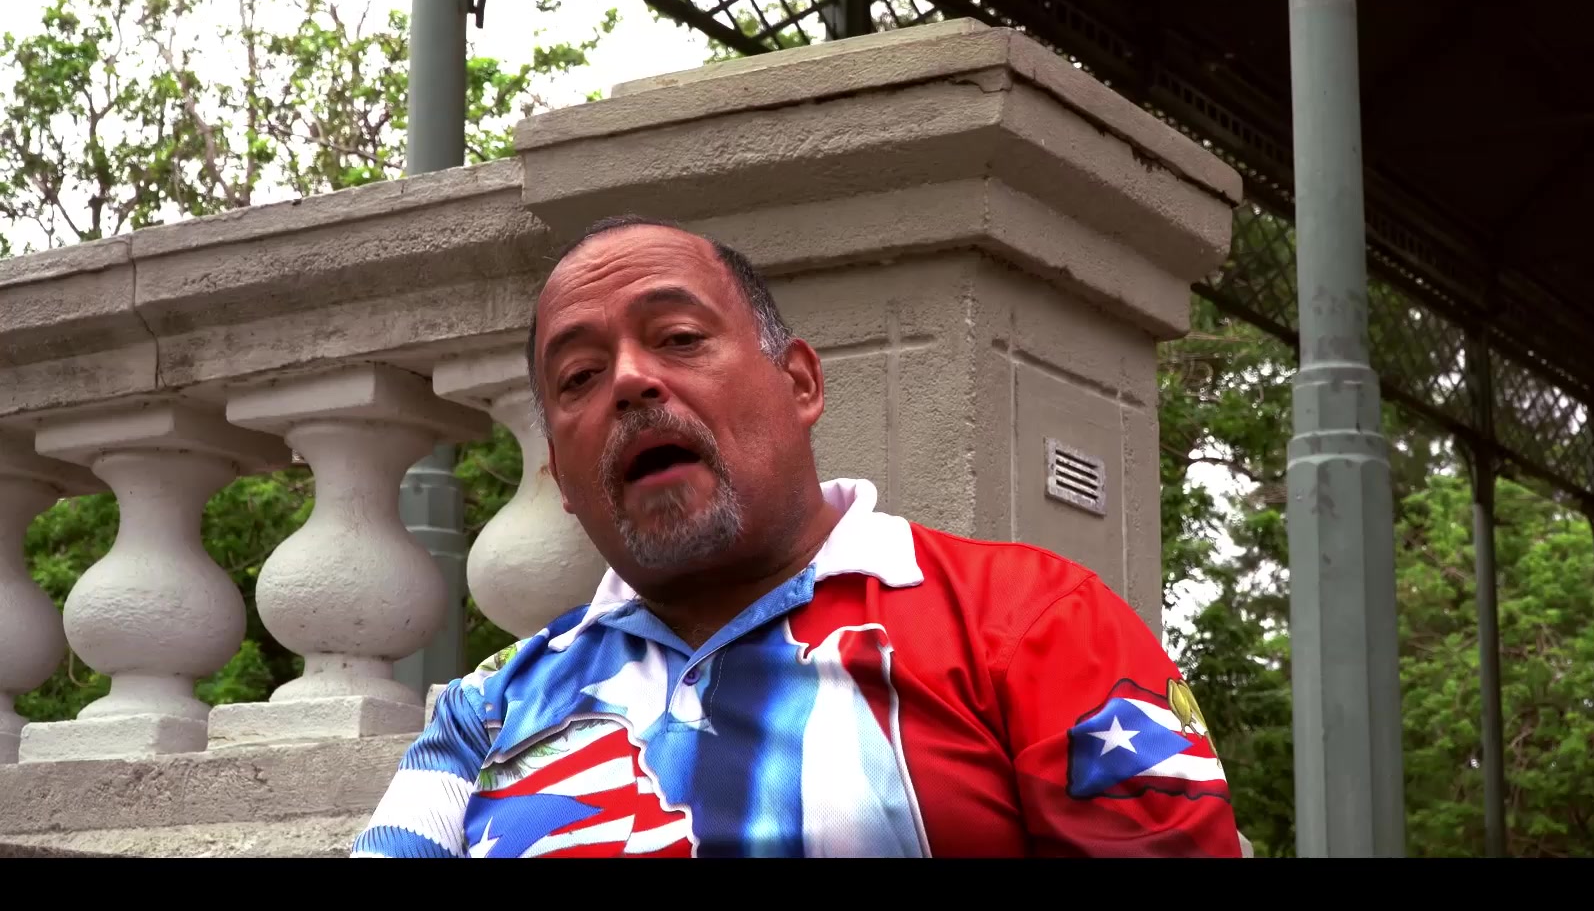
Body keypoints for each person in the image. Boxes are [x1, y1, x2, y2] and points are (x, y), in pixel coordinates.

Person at [350, 216, 1242, 858]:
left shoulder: (1035, 623)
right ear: (559, 478)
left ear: (802, 384)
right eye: (579, 375)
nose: (629, 381)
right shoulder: (486, 710)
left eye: (679, 337)